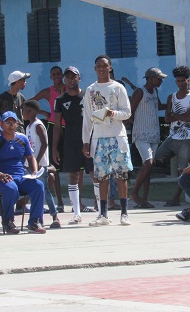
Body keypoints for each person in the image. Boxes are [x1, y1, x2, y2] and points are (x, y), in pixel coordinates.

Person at [82, 55, 133, 226]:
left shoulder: (118, 88)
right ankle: (103, 214)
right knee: (102, 176)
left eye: (104, 66)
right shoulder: (90, 90)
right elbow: (87, 118)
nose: (101, 69)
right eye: (98, 66)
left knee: (121, 175)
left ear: (110, 67)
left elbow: (127, 112)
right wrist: (86, 141)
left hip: (117, 136)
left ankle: (124, 213)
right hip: (99, 137)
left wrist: (112, 113)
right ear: (95, 68)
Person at [0, 111, 46, 234]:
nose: (11, 125)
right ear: (1, 124)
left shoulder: (22, 139)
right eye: (8, 122)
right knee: (11, 189)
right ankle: (8, 222)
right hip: (1, 178)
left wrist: (34, 171)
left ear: (17, 124)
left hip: (21, 175)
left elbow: (30, 157)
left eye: (13, 122)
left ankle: (34, 222)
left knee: (38, 186)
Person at [53, 66, 97, 225]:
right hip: (70, 142)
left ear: (79, 78)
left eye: (74, 77)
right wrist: (54, 148)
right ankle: (77, 213)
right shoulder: (60, 100)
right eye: (68, 77)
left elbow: (95, 118)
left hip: (88, 139)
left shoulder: (87, 95)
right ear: (65, 79)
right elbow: (57, 126)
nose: (71, 80)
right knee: (73, 175)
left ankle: (101, 210)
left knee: (95, 174)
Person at [154, 65, 190, 207]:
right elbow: (166, 119)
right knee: (158, 156)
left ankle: (176, 197)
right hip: (173, 136)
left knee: (182, 170)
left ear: (188, 81)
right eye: (178, 81)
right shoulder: (172, 97)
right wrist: (178, 116)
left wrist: (175, 115)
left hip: (187, 138)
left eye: (183, 80)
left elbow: (189, 118)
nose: (180, 83)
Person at [28, 65, 66, 210]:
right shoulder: (47, 92)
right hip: (53, 127)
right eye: (54, 75)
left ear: (62, 75)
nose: (56, 77)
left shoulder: (68, 89)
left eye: (58, 74)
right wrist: (43, 112)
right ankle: (60, 202)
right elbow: (30, 102)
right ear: (51, 77)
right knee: (54, 167)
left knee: (73, 168)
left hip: (68, 128)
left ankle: (77, 202)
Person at [130, 67, 166, 209]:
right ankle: (134, 193)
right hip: (142, 134)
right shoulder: (139, 92)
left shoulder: (155, 91)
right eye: (159, 78)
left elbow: (157, 106)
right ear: (150, 78)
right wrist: (137, 126)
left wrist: (171, 105)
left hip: (154, 133)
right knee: (148, 163)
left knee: (149, 168)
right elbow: (130, 112)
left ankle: (144, 199)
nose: (161, 81)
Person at [23, 100, 59, 228]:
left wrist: (37, 161)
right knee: (35, 191)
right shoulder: (28, 127)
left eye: (24, 110)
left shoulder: (38, 125)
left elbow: (44, 144)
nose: (22, 113)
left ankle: (55, 216)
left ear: (30, 111)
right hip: (30, 164)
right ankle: (39, 218)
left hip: (39, 164)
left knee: (44, 190)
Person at [0, 70, 30, 135]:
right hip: (8, 131)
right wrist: (0, 121)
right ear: (18, 82)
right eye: (24, 80)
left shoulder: (21, 97)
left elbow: (25, 113)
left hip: (20, 131)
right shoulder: (2, 98)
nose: (25, 82)